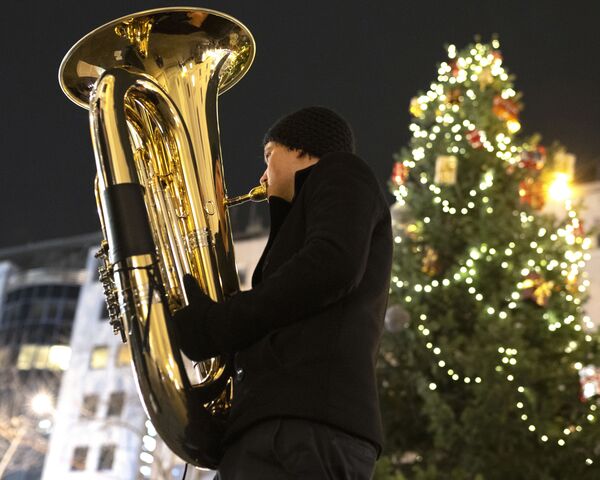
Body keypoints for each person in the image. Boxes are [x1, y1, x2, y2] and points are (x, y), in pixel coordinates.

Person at [174, 106, 393, 479]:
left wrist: (215, 326)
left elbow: (330, 266)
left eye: (269, 155)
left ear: (302, 151)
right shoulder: (314, 209)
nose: (262, 173)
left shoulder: (342, 171)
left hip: (302, 429)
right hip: (291, 429)